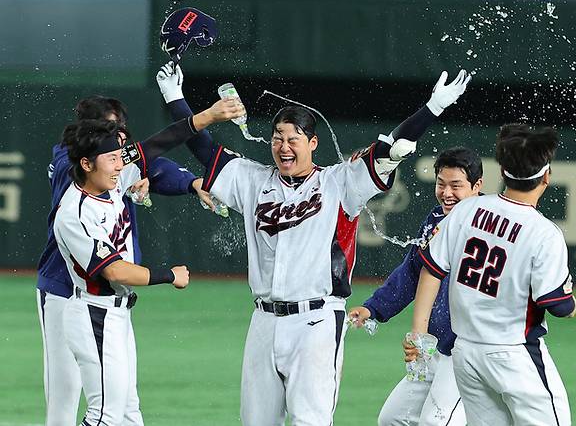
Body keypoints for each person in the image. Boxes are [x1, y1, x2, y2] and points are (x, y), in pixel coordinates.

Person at [156, 61, 471, 425]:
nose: (283, 147)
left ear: (313, 143)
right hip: (264, 321)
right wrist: (175, 97)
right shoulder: (252, 180)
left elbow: (394, 148)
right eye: (277, 138)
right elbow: (204, 150)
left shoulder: (341, 183)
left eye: (293, 139)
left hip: (316, 322)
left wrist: (432, 109)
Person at [52, 98, 243, 425]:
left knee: (127, 414)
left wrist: (204, 117)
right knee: (105, 416)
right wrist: (168, 275)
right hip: (94, 314)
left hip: (115, 314)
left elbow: (159, 144)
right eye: (112, 160)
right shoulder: (76, 214)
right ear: (86, 164)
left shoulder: (109, 179)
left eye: (120, 158)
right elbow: (114, 270)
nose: (119, 165)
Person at [410, 124, 576, 426]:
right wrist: (571, 300)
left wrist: (418, 331)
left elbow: (431, 269)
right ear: (546, 176)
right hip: (513, 353)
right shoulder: (543, 233)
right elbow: (559, 306)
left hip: (466, 353)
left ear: (502, 172)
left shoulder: (467, 210)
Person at [348, 147, 483, 426]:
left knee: (437, 423)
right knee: (393, 419)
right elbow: (412, 272)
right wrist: (373, 308)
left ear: (477, 186)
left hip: (466, 351)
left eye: (456, 186)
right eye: (441, 184)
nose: (447, 193)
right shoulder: (436, 219)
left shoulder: (488, 229)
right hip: (433, 347)